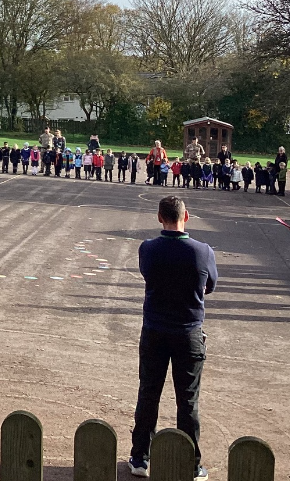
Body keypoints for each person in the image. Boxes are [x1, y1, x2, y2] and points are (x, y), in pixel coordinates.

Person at [128, 196, 217, 480]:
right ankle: (191, 463)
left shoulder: (149, 249)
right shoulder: (202, 251)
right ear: (186, 217)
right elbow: (210, 285)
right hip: (188, 330)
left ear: (159, 217)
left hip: (155, 329)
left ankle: (140, 457)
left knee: (148, 393)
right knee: (188, 400)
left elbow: (147, 275)